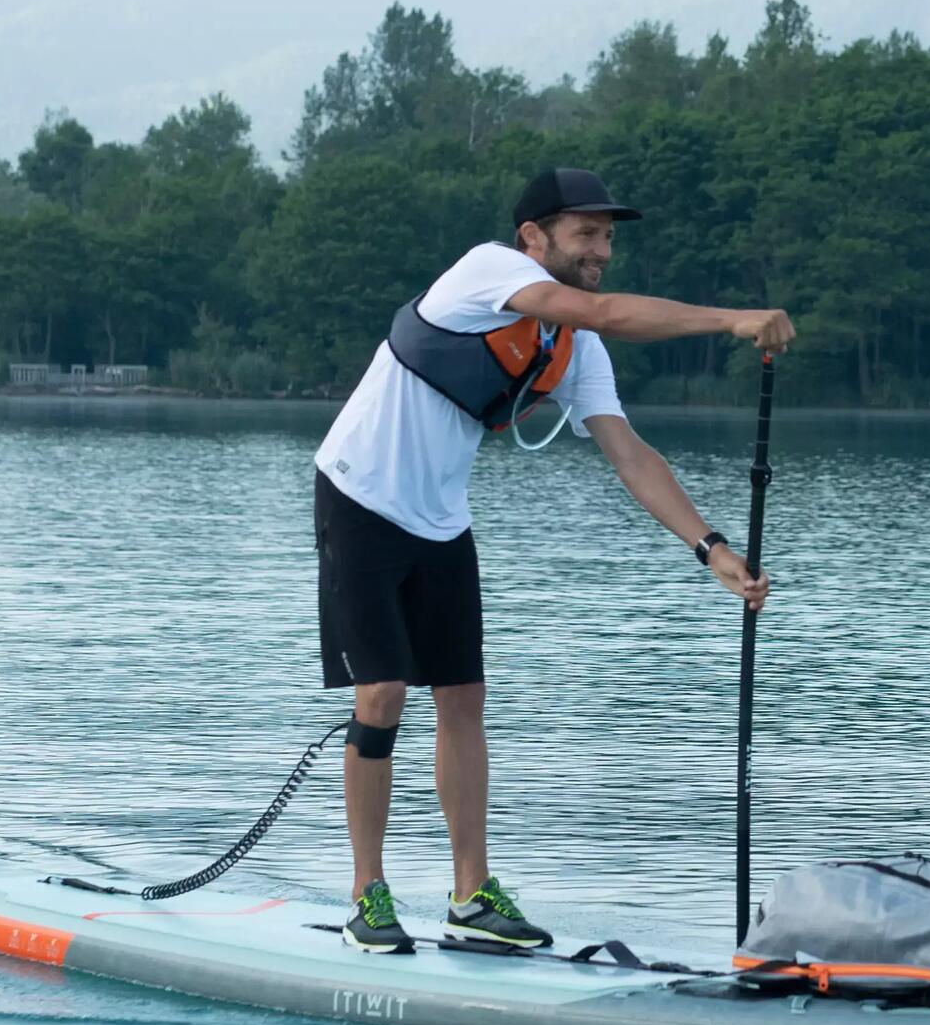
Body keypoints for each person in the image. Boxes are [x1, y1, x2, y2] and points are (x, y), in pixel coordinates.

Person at [313, 165, 796, 953]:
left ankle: (471, 896)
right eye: (585, 233)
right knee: (385, 692)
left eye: (607, 236)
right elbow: (601, 307)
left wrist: (709, 548)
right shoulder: (488, 271)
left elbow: (629, 451)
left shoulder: (575, 347)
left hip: (439, 518)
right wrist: (733, 319)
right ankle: (367, 893)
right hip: (358, 494)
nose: (601, 249)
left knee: (463, 698)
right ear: (532, 237)